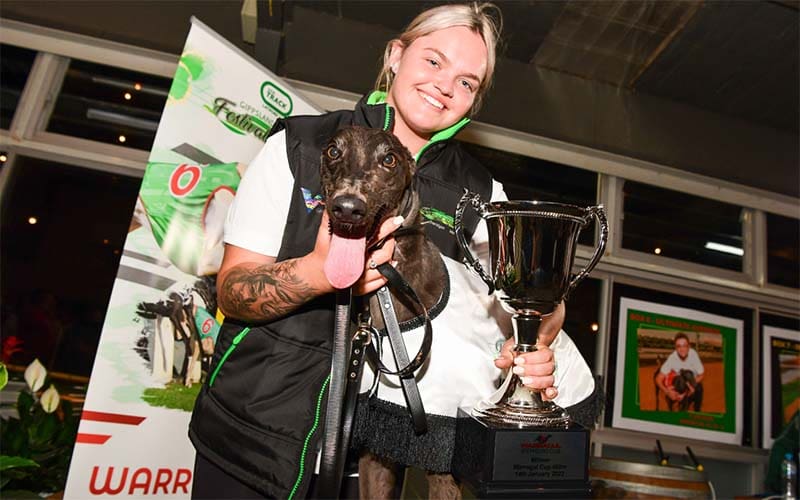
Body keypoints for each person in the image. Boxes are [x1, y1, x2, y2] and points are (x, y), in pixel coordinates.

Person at [188, 3, 597, 498]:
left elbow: (534, 302)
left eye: (468, 82)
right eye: (433, 61)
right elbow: (232, 292)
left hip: (380, 461)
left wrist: (535, 345)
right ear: (395, 56)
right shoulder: (302, 146)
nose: (446, 86)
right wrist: (318, 274)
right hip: (256, 443)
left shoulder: (481, 194)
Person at [655, 332, 705, 412]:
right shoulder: (672, 358)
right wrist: (667, 392)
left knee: (699, 389)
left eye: (685, 345)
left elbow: (701, 374)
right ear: (675, 348)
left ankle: (697, 409)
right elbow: (658, 379)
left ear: (689, 346)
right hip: (680, 384)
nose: (682, 349)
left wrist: (690, 386)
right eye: (679, 346)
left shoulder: (693, 354)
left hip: (693, 383)